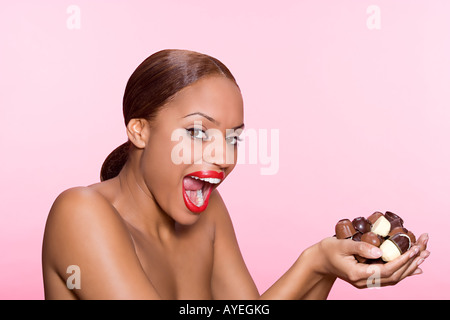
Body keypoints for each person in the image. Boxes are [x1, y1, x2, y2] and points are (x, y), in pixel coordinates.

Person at [41, 49, 430, 299]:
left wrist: (319, 263)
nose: (223, 157)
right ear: (139, 130)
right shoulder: (80, 213)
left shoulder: (207, 213)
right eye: (197, 132)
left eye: (233, 138)